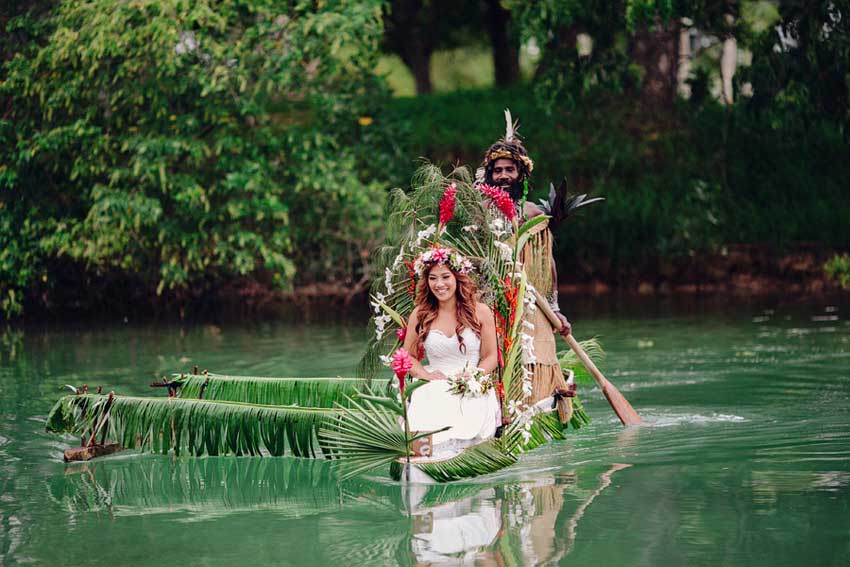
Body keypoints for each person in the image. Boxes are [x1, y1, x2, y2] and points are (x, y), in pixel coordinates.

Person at [477, 110, 573, 407]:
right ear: (489, 176)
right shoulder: (477, 212)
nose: (504, 176)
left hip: (529, 299)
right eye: (498, 170)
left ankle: (539, 400)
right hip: (489, 297)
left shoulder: (532, 214)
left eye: (510, 170)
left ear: (521, 174)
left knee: (535, 354)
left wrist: (554, 308)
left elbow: (548, 263)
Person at [401, 245, 500, 461]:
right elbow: (408, 357)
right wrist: (425, 375)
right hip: (435, 380)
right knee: (428, 394)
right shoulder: (420, 314)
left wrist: (473, 376)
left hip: (471, 381)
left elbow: (491, 356)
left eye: (445, 277)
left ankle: (459, 455)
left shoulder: (481, 312)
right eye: (433, 278)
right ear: (426, 282)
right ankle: (421, 458)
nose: (439, 284)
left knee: (465, 403)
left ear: (457, 278)